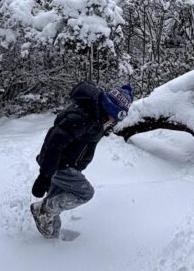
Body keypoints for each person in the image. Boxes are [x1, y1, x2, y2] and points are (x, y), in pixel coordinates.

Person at [30, 81, 133, 239]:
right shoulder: (85, 116)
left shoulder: (98, 118)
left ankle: (49, 242)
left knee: (53, 218)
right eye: (116, 117)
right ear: (112, 108)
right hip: (60, 165)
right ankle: (43, 209)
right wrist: (44, 175)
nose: (114, 122)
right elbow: (55, 142)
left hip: (64, 165)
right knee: (85, 193)